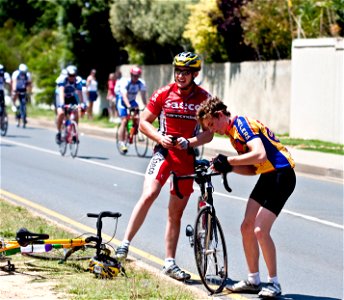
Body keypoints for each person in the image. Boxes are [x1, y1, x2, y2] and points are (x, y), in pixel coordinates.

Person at [115, 52, 213, 281]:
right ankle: (124, 244)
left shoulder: (203, 98)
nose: (180, 75)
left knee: (174, 214)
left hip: (186, 157)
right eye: (178, 70)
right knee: (149, 194)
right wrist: (160, 138)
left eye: (186, 72)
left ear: (195, 74)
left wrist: (190, 141)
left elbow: (209, 133)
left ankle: (169, 262)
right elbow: (143, 122)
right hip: (164, 153)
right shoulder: (164, 93)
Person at [196, 96, 296, 297]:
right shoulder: (233, 135)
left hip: (281, 175)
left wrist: (230, 160)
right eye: (208, 127)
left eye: (212, 124)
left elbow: (260, 155)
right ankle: (253, 280)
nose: (212, 130)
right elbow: (252, 169)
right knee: (246, 227)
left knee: (260, 229)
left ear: (221, 115)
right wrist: (227, 167)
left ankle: (274, 283)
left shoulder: (241, 125)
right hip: (267, 176)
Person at [114, 66, 147, 153]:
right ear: (131, 75)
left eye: (137, 76)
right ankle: (122, 142)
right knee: (124, 120)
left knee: (137, 117)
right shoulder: (125, 82)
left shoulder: (141, 83)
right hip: (122, 102)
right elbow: (124, 96)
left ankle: (137, 132)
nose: (135, 78)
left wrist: (146, 106)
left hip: (132, 101)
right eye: (134, 75)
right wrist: (128, 106)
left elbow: (143, 97)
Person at [55, 65, 83, 144]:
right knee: (61, 113)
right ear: (67, 75)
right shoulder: (63, 80)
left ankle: (74, 133)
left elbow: (79, 94)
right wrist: (62, 104)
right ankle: (59, 132)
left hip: (70, 97)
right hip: (61, 96)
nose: (72, 77)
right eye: (70, 75)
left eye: (73, 75)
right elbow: (61, 92)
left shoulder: (78, 81)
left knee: (76, 112)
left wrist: (82, 104)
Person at [11, 63, 32, 128]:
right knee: (17, 104)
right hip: (17, 91)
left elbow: (29, 84)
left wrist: (29, 92)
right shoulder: (16, 74)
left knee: (24, 104)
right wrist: (14, 91)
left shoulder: (28, 75)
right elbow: (14, 83)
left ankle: (24, 117)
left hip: (24, 91)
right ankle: (17, 117)